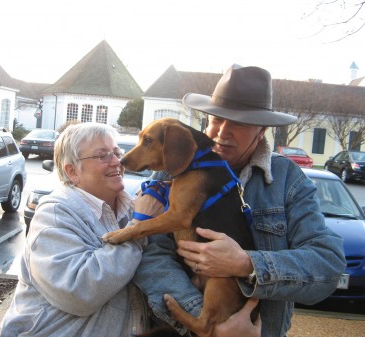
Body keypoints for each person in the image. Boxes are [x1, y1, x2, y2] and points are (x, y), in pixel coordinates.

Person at [133, 64, 346, 337]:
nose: (222, 132)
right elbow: (152, 258)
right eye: (216, 119)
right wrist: (212, 325)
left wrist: (246, 263)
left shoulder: (286, 180)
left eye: (239, 123)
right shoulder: (172, 167)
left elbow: (327, 265)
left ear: (261, 131)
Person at [0, 122, 162, 337]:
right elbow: (79, 291)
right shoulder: (56, 214)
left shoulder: (134, 208)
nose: (117, 161)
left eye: (116, 152)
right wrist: (139, 229)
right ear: (72, 171)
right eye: (102, 155)